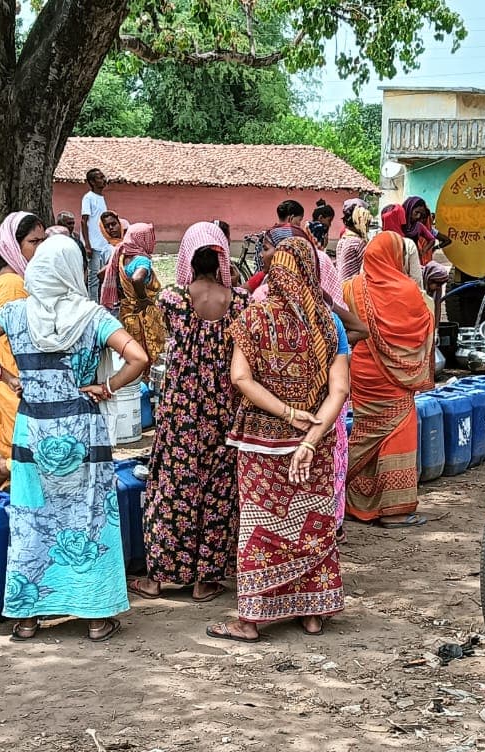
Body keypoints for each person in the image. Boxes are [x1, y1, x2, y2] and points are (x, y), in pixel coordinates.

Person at [0, 235, 149, 644]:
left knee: (32, 520)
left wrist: (7, 376)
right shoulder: (92, 317)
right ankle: (95, 617)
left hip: (33, 432)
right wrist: (108, 386)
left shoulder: (16, 313)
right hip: (83, 434)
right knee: (89, 519)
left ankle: (27, 618)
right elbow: (139, 358)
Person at [207, 236, 349, 642]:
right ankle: (312, 613)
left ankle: (250, 620)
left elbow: (240, 378)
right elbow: (339, 390)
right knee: (313, 524)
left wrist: (286, 413)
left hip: (260, 445)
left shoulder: (253, 318)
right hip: (315, 442)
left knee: (261, 527)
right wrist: (309, 440)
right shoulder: (329, 323)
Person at [130, 222, 248, 603]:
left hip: (180, 409)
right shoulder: (240, 302)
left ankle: (159, 578)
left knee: (172, 488)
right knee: (217, 490)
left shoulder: (173, 299)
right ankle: (205, 580)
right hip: (222, 407)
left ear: (187, 260)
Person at [342, 230, 436, 527]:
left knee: (364, 431)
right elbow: (425, 322)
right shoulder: (408, 290)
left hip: (363, 374)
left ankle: (350, 501)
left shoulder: (351, 288)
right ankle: (395, 511)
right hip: (397, 379)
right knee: (398, 434)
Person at [0, 211, 47, 488]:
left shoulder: (20, 280)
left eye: (43, 241)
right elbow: (22, 340)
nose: (40, 249)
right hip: (14, 378)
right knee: (28, 454)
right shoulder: (12, 285)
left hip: (13, 377)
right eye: (33, 242)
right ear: (13, 245)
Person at [100, 222, 164, 366]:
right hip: (143, 313)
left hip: (126, 311)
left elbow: (101, 274)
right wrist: (143, 299)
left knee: (132, 350)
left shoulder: (121, 257)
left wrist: (122, 291)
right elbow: (137, 279)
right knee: (151, 348)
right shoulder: (142, 260)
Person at [80, 168, 112, 300]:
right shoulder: (88, 198)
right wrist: (87, 244)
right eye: (100, 177)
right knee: (93, 278)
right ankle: (93, 303)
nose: (104, 180)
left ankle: (101, 301)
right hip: (93, 245)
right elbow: (84, 221)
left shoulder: (101, 198)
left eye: (103, 177)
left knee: (103, 276)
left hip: (103, 244)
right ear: (92, 182)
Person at [336, 201, 371, 281]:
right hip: (353, 286)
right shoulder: (358, 243)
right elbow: (365, 271)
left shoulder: (343, 240)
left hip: (342, 285)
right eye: (367, 223)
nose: (367, 228)